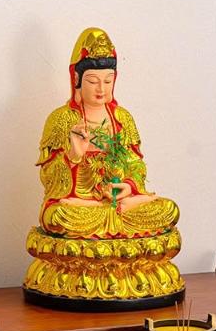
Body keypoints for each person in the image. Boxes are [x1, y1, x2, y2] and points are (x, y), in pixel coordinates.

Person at [36, 28, 179, 239]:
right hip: (82, 205)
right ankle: (108, 217)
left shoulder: (122, 118)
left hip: (119, 201)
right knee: (58, 217)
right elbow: (48, 177)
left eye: (108, 81)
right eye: (93, 81)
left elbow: (136, 166)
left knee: (168, 209)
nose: (101, 89)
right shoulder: (61, 119)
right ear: (77, 78)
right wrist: (73, 156)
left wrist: (128, 187)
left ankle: (115, 213)